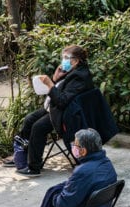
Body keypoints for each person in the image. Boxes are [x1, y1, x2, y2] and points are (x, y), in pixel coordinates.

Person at [7, 45, 95, 177]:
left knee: (38, 127)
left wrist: (49, 84)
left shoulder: (80, 77)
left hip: (67, 113)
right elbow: (61, 92)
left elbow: (62, 100)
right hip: (56, 108)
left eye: (66, 58)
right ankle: (21, 157)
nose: (63, 60)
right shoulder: (72, 72)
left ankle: (34, 167)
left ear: (76, 61)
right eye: (63, 57)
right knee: (29, 119)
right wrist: (56, 78)